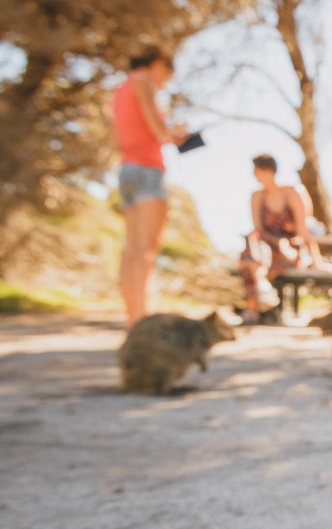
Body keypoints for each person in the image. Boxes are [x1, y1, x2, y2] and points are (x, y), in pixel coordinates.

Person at [113, 45, 187, 329]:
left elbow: (116, 139)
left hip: (127, 168)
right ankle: (141, 319)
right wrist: (174, 134)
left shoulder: (120, 90)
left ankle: (134, 317)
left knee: (132, 248)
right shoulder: (142, 81)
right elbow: (157, 128)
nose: (165, 79)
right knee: (147, 249)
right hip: (147, 170)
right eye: (167, 71)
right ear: (157, 62)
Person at [238, 154, 332, 323]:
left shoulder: (292, 192)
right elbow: (258, 230)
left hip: (290, 248)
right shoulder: (257, 196)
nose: (254, 174)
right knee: (251, 256)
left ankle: (258, 300)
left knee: (252, 259)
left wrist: (317, 261)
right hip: (266, 246)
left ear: (268, 170)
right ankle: (258, 300)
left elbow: (303, 230)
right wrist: (273, 242)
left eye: (256, 170)